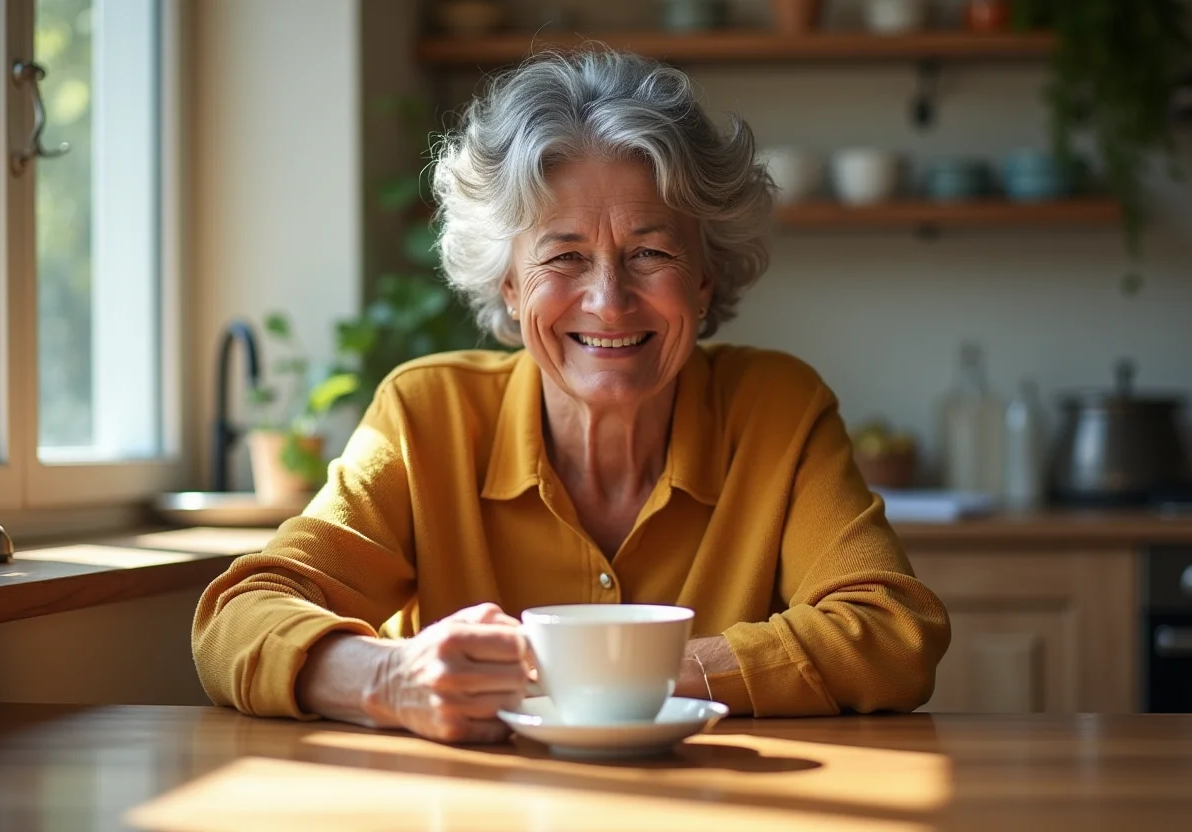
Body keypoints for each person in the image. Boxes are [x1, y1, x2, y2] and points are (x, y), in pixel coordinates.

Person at [192, 49, 950, 744]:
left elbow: (892, 631)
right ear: (511, 288)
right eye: (564, 257)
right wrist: (390, 677)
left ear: (705, 277)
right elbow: (237, 619)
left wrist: (603, 676)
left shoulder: (776, 409)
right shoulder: (426, 417)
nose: (609, 300)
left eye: (650, 253)